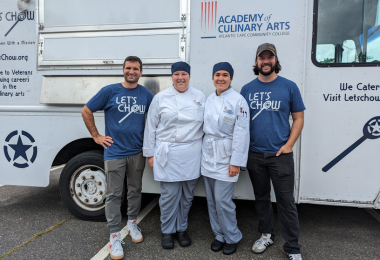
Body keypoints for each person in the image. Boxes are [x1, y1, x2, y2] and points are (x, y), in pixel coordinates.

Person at [81, 56, 154, 260]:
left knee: (135, 190)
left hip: (137, 152)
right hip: (114, 152)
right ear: (123, 70)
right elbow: (86, 110)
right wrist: (96, 136)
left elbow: (156, 118)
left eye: (136, 69)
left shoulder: (146, 94)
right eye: (128, 68)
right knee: (113, 194)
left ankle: (132, 223)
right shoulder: (110, 91)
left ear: (141, 72)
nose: (132, 71)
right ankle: (114, 234)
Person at [240, 43, 305, 260]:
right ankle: (266, 235)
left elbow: (299, 118)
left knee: (286, 201)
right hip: (255, 155)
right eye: (262, 58)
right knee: (261, 197)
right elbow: (240, 124)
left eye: (270, 57)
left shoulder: (289, 87)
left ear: (275, 61)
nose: (266, 61)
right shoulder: (247, 89)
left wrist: (288, 145)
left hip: (280, 156)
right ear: (256, 62)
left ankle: (293, 247)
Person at [143, 61, 205, 249]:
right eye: (176, 74)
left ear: (189, 76)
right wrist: (150, 154)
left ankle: (181, 229)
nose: (180, 78)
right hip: (167, 153)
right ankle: (167, 231)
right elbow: (150, 127)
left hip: (192, 153)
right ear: (172, 76)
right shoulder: (160, 98)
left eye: (183, 74)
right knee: (169, 196)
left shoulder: (199, 96)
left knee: (187, 196)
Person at [201, 62, 250, 255]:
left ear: (231, 78)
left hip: (227, 157)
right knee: (212, 201)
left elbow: (242, 133)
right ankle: (219, 235)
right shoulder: (209, 99)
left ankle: (232, 236)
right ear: (213, 77)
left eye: (225, 75)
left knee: (223, 201)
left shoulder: (238, 101)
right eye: (217, 74)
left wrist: (235, 162)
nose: (220, 78)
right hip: (208, 156)